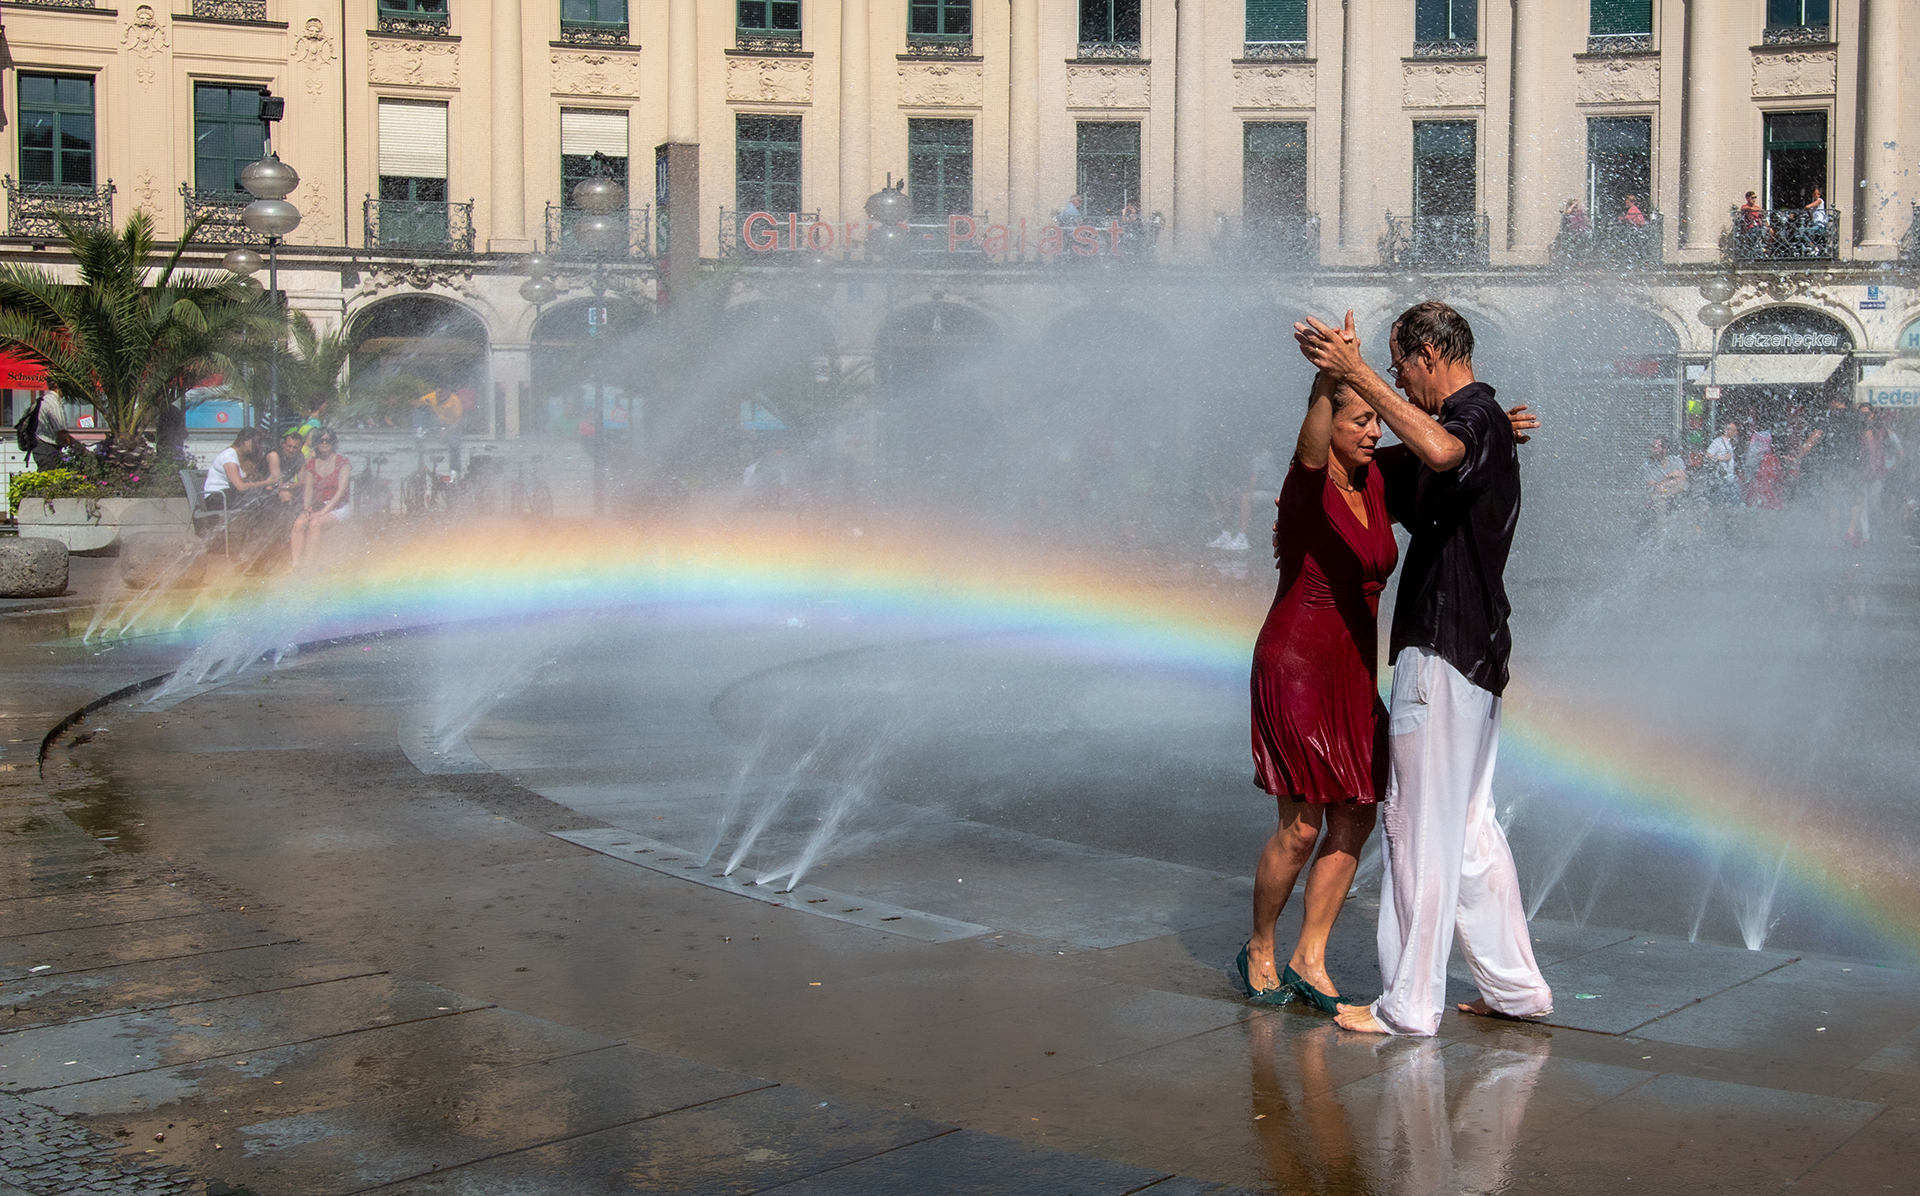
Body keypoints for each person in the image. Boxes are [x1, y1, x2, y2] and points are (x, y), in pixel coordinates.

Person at [1294, 302, 1553, 1037]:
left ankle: (1409, 1002)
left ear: (1431, 354)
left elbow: (1439, 452)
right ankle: (1516, 987)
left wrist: (1354, 373)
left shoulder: (1471, 418)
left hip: (1441, 652)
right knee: (1468, 829)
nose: (1400, 386)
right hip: (1478, 654)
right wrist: (1337, 390)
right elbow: (1405, 461)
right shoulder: (1483, 422)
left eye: (1402, 365)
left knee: (1416, 827)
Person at [1241, 372, 1397, 1011]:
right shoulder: (1305, 488)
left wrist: (1498, 436)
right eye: (1358, 420)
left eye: (1375, 420)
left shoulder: (1376, 479)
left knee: (1358, 809)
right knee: (1302, 825)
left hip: (1356, 668)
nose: (1373, 430)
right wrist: (1332, 378)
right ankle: (1260, 945)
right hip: (1297, 663)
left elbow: (1439, 446)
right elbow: (1307, 446)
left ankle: (1311, 954)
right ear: (1326, 422)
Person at [289, 428, 351, 569]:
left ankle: (308, 566)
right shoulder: (311, 463)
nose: (324, 443)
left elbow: (341, 491)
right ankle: (296, 565)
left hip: (338, 507)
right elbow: (309, 489)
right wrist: (306, 507)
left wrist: (324, 511)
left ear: (333, 442)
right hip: (318, 505)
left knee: (315, 524)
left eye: (327, 440)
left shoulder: (343, 462)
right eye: (321, 440)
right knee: (299, 523)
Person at [202, 427, 279, 511]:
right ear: (246, 441)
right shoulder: (229, 455)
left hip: (228, 496)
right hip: (216, 498)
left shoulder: (242, 458)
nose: (257, 446)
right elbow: (241, 487)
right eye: (255, 443)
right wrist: (268, 483)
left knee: (266, 500)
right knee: (255, 501)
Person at [24, 391, 76, 472]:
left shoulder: (44, 400)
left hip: (39, 446)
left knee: (47, 479)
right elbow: (61, 432)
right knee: (49, 479)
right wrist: (77, 446)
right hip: (47, 448)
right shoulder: (53, 404)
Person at [1643, 435, 1689, 522]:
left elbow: (1683, 479)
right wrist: (1672, 478)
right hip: (1657, 494)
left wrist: (1664, 483)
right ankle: (1661, 533)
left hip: (1673, 492)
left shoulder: (1677, 461)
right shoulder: (1648, 465)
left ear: (1664, 450)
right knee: (1660, 503)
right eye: (1651, 447)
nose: (1651, 450)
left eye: (1655, 448)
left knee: (1684, 484)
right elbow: (1652, 485)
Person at [1704, 422, 1741, 507]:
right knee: (1718, 505)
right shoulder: (1717, 442)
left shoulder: (1731, 442)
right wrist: (1723, 458)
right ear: (1727, 430)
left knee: (1733, 505)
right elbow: (1708, 456)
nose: (1736, 432)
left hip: (1730, 478)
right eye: (1734, 430)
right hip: (1721, 479)